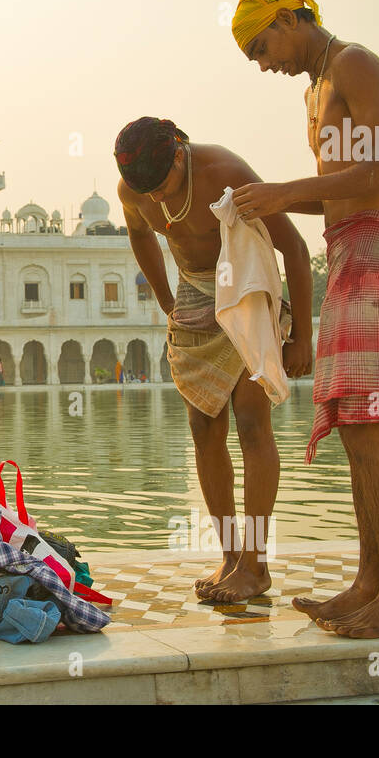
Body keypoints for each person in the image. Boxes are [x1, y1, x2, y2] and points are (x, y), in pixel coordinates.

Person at [230, 0, 379, 637]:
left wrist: (287, 188)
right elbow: (340, 188)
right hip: (344, 251)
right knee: (352, 429)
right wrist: (276, 200)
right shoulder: (315, 91)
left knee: (370, 427)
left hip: (376, 252)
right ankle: (371, 583)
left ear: (292, 17)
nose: (263, 63)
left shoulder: (353, 64)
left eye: (263, 45)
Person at [117, 116, 313, 603]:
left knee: (251, 424)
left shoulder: (224, 171)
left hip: (245, 285)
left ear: (180, 156)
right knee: (204, 429)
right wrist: (166, 301)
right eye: (150, 194)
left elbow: (295, 248)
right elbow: (141, 236)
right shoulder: (135, 188)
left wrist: (302, 336)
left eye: (164, 189)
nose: (159, 202)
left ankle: (256, 563)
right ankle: (230, 555)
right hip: (194, 292)